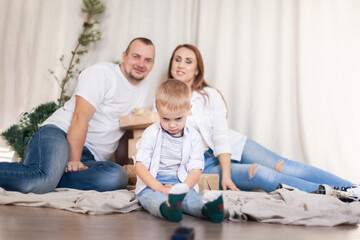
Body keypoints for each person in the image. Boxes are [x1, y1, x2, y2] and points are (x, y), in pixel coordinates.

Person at [167, 43, 360, 200]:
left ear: (197, 70)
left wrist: (226, 172)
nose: (181, 65)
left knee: (284, 166)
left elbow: (220, 135)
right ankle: (338, 195)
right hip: (204, 164)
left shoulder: (210, 95)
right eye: (177, 60)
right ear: (171, 65)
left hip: (231, 144)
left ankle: (352, 188)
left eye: (188, 61)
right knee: (262, 174)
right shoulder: (161, 100)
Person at [0, 37, 155, 194]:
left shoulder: (144, 89)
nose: (141, 64)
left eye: (148, 60)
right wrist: (74, 160)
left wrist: (125, 166)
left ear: (152, 65)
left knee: (116, 177)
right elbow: (80, 116)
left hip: (91, 159)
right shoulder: (102, 73)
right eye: (136, 56)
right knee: (40, 179)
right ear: (124, 56)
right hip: (60, 134)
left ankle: (52, 176)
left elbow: (124, 132)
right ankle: (47, 176)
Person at [134, 79, 224, 223]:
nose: (172, 125)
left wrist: (184, 188)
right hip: (153, 182)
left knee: (191, 199)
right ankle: (168, 208)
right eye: (165, 119)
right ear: (157, 108)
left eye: (178, 119)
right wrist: (159, 188)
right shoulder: (151, 133)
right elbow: (140, 166)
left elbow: (196, 168)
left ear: (189, 109)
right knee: (150, 198)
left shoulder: (193, 136)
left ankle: (209, 209)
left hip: (182, 182)